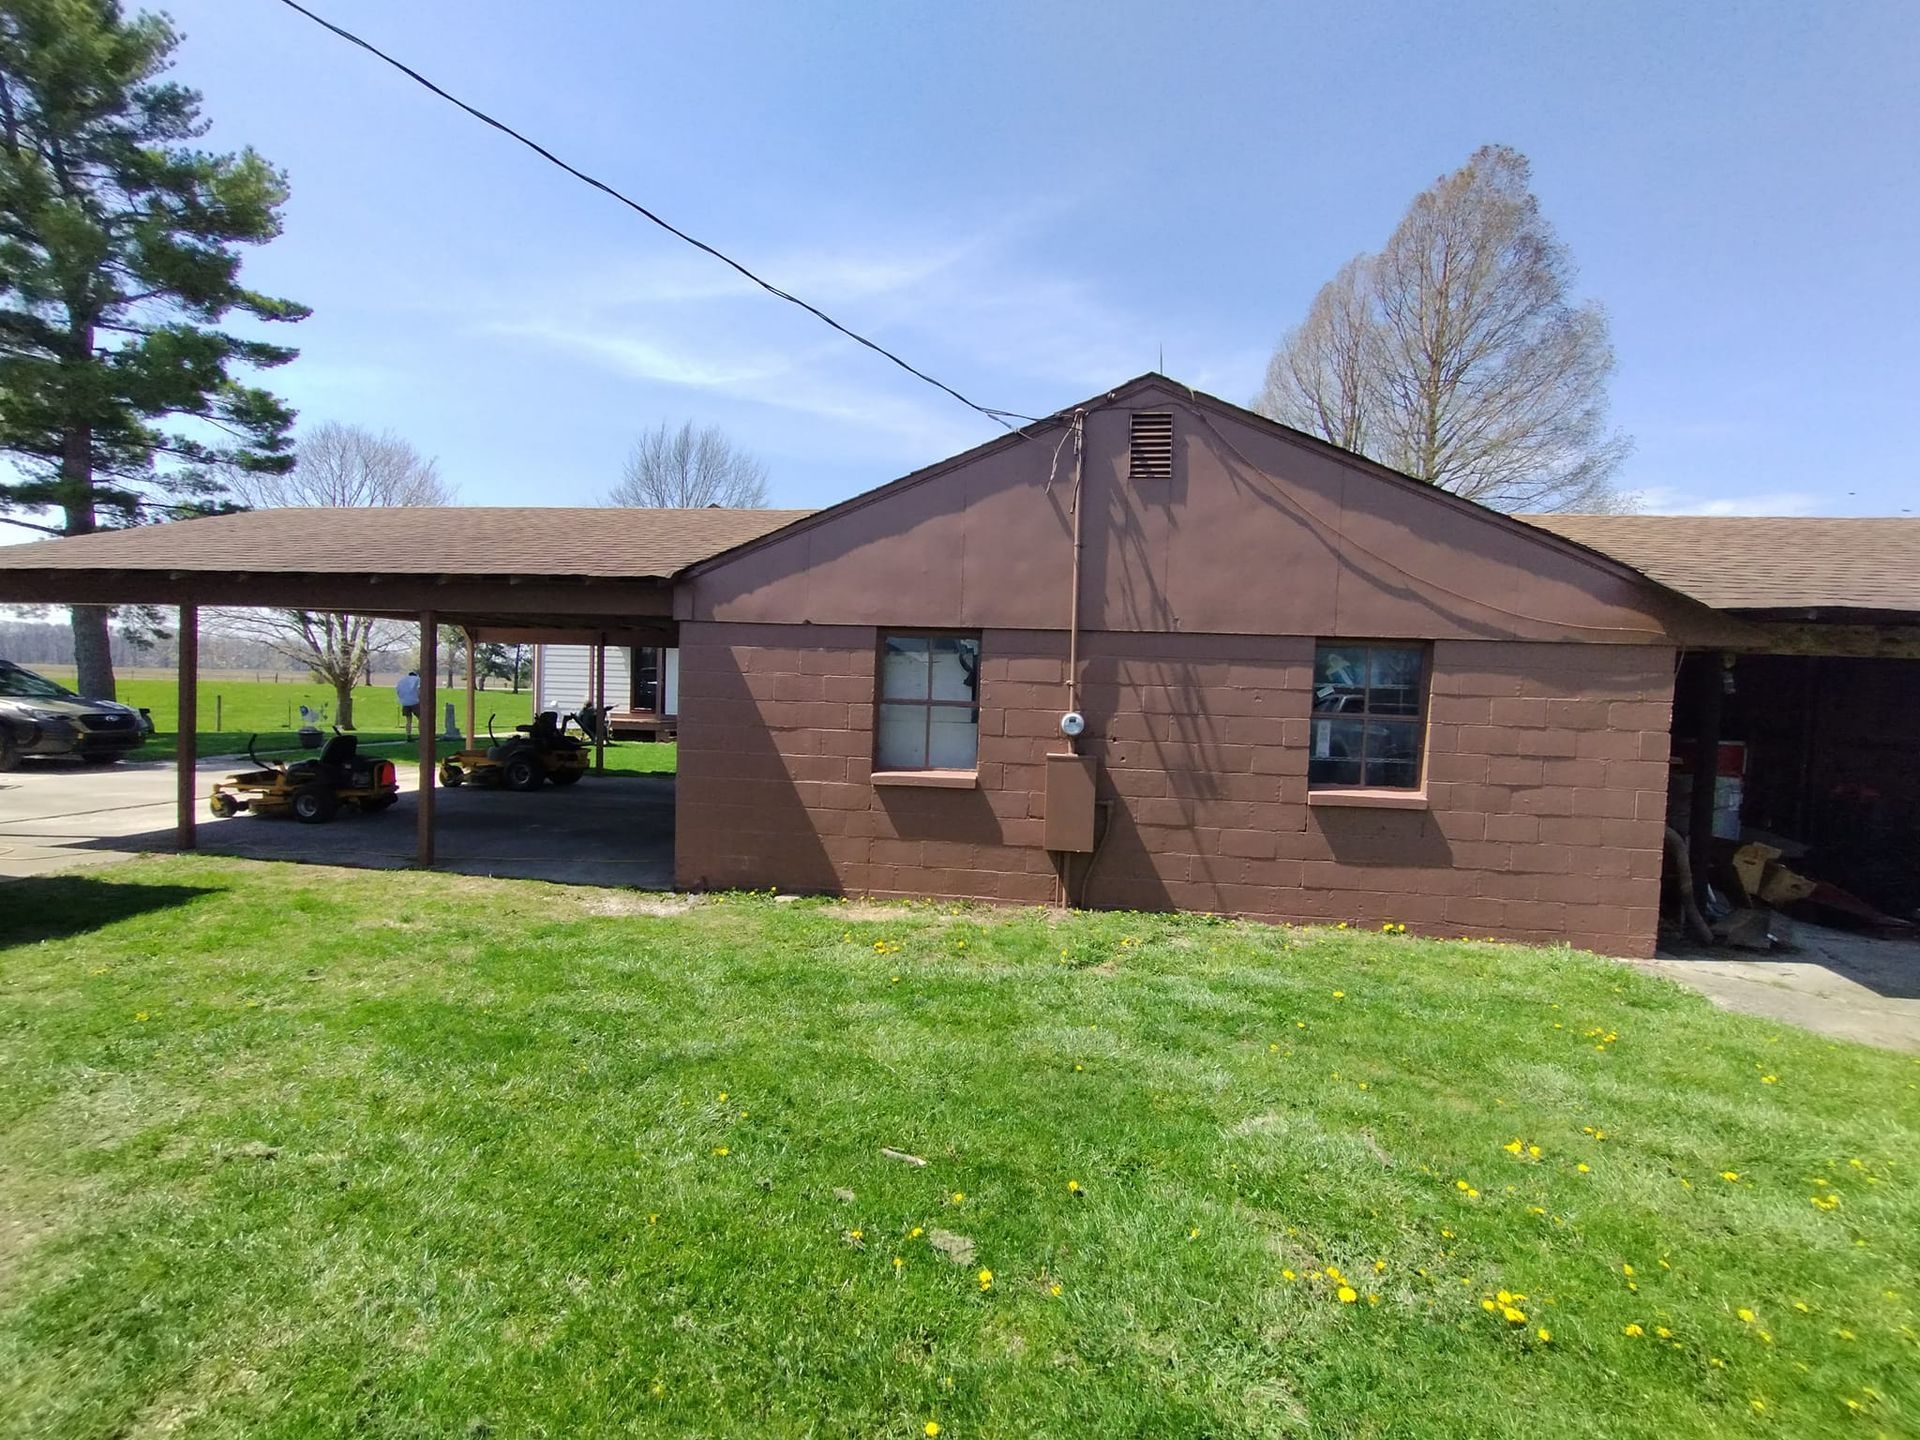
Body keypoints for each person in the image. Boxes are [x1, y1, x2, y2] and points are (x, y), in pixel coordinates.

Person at [396, 670, 422, 739]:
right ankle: (421, 735)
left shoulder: (402, 680)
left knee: (408, 720)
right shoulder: (417, 679)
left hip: (405, 702)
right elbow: (419, 689)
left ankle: (408, 735)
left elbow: (398, 691)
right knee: (421, 718)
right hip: (415, 701)